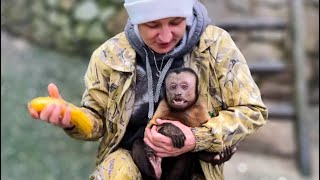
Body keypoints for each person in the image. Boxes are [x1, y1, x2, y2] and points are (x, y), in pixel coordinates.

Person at [28, 0, 268, 179]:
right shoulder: (108, 56)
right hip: (130, 156)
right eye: (153, 25)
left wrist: (196, 139)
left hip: (193, 164)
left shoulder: (216, 46)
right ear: (135, 19)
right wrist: (72, 118)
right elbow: (98, 122)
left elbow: (253, 111)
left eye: (176, 22)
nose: (165, 36)